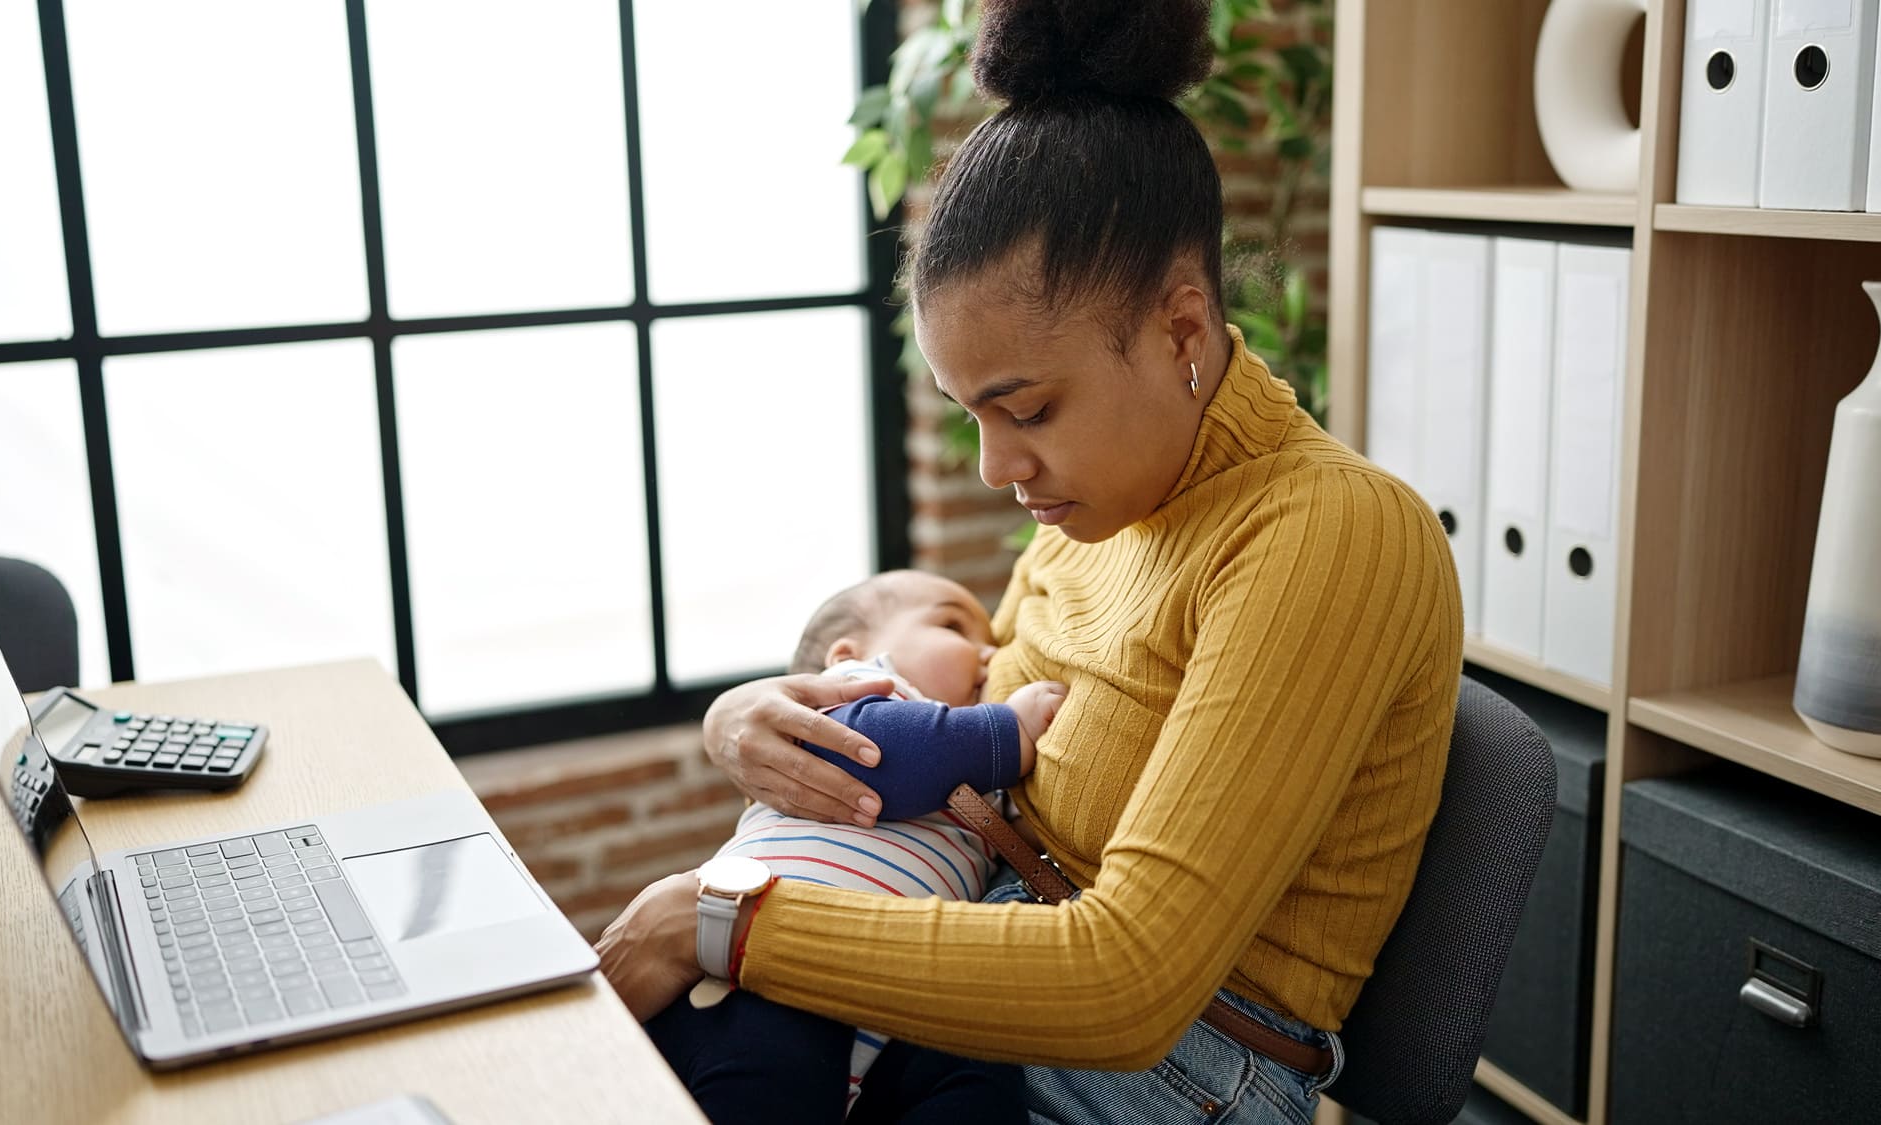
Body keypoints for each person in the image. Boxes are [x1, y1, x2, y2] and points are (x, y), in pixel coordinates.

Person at [597, 1, 1464, 1122]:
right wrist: (750, 718)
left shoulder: (1327, 536)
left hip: (1158, 1067)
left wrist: (715, 917)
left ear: (1183, 334)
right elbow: (977, 707)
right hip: (977, 967)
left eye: (1029, 410)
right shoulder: (1103, 505)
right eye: (969, 415)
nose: (996, 466)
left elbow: (1127, 986)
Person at [644, 569, 1066, 1124]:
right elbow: (887, 755)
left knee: (982, 1078)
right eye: (952, 625)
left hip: (876, 1002)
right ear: (851, 652)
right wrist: (1006, 728)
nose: (987, 655)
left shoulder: (975, 772)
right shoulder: (845, 703)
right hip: (758, 982)